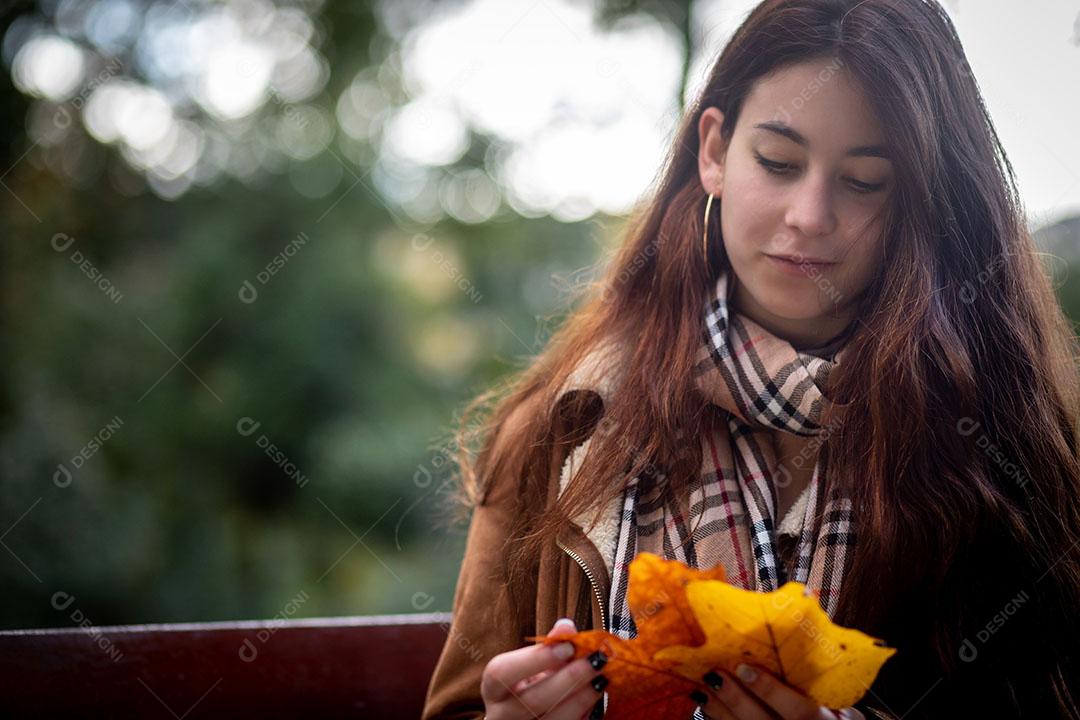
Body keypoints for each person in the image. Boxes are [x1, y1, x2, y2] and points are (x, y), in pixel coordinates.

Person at [422, 0, 1080, 718]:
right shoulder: (567, 425)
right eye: (778, 161)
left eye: (863, 181)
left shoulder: (997, 432)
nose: (810, 214)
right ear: (714, 152)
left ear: (922, 200)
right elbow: (458, 704)